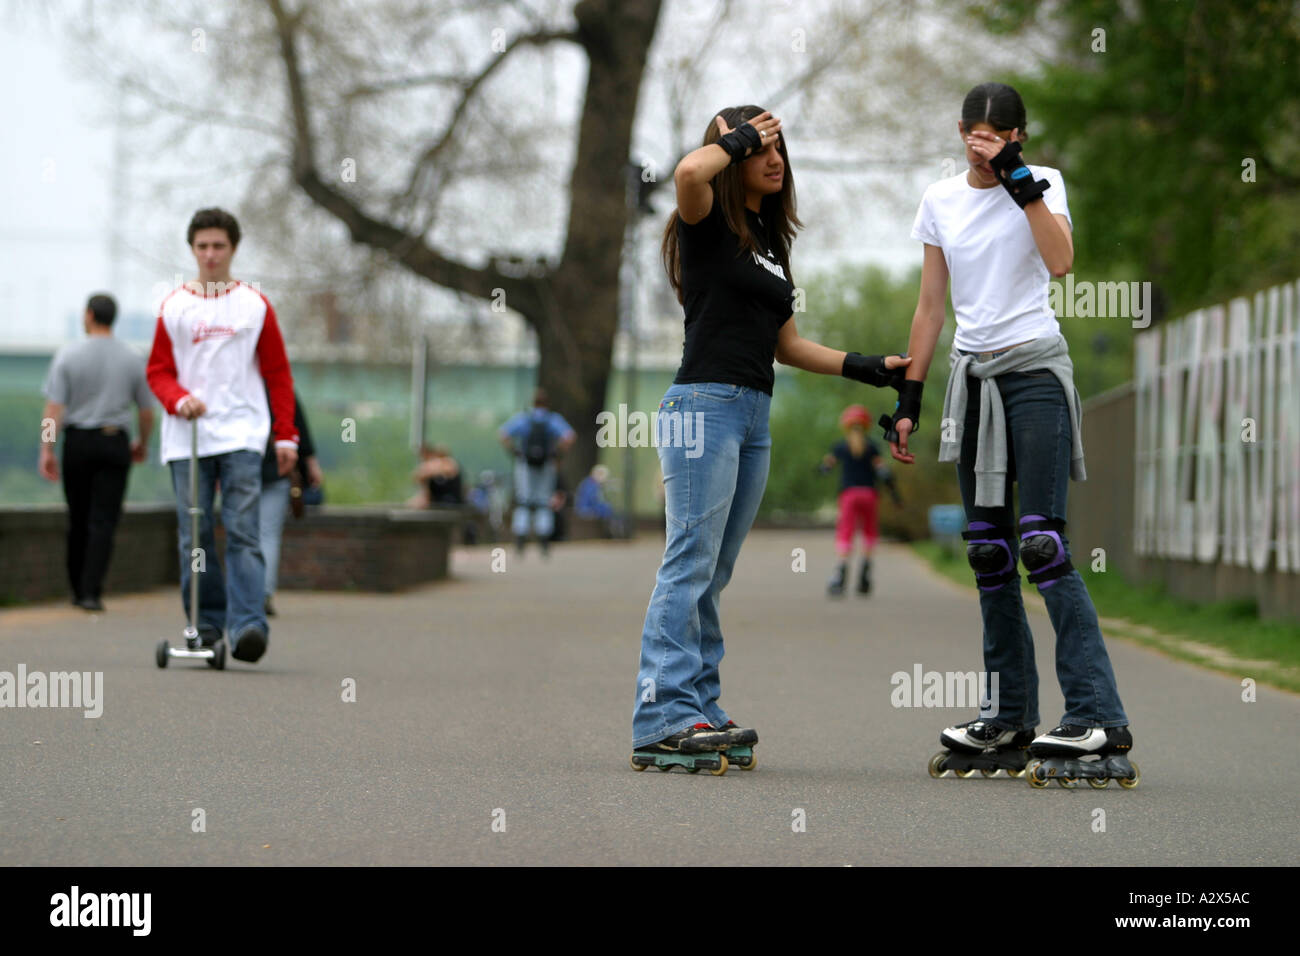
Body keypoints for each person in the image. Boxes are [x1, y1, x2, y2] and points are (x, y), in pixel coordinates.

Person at [631, 105, 910, 764]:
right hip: (704, 407)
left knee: (714, 570)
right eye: (761, 148)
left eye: (780, 147)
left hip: (753, 411)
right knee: (689, 562)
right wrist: (742, 134)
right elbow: (689, 170)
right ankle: (660, 715)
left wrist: (868, 368)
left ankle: (697, 707)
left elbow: (785, 344)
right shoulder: (703, 222)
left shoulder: (766, 241)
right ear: (734, 153)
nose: (774, 158)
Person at [890, 82, 1135, 781]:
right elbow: (931, 307)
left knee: (1042, 542)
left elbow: (1060, 262)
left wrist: (1021, 183)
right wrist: (911, 395)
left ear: (1018, 137)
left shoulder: (1044, 183)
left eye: (997, 133)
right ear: (960, 129)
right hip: (973, 382)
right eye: (973, 129)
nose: (982, 141)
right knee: (989, 552)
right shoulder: (940, 200)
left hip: (1034, 376)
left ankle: (1097, 717)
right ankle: (1008, 718)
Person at [146, 207, 298, 664]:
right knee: (194, 535)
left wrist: (286, 436)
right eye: (202, 246)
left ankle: (249, 624)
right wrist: (177, 398)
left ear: (233, 249)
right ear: (191, 250)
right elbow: (157, 370)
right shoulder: (175, 306)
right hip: (187, 437)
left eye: (219, 246)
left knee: (244, 531)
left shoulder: (254, 305)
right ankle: (208, 623)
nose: (210, 255)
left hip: (242, 435)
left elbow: (277, 374)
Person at [38, 293, 156, 611]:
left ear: (88, 315)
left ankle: (76, 588)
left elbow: (53, 410)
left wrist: (47, 449)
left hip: (77, 443)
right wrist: (142, 443)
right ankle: (92, 591)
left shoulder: (68, 355)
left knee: (77, 517)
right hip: (114, 442)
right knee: (104, 520)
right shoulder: (133, 358)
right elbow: (146, 411)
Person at [817, 404, 900, 597]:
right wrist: (894, 494)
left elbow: (826, 466)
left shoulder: (840, 446)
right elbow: (884, 472)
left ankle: (839, 576)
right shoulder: (872, 447)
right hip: (869, 495)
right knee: (869, 533)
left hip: (849, 495)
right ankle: (865, 576)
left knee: (846, 533)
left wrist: (821, 470)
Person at [260, 390, 321, 617]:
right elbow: (300, 429)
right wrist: (311, 464)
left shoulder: (239, 383)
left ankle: (244, 593)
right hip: (278, 468)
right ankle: (264, 593)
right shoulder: (281, 389)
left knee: (245, 535)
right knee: (268, 534)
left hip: (241, 469)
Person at [498, 389, 575, 556]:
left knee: (524, 500)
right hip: (546, 464)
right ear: (547, 403)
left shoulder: (524, 418)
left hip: (525, 463)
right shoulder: (553, 419)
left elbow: (503, 434)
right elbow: (569, 437)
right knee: (543, 501)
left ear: (533, 403)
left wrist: (515, 452)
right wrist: (557, 454)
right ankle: (544, 539)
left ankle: (520, 538)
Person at [576, 464, 626, 538]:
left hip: (589, 508)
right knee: (608, 510)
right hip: (586, 509)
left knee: (610, 510)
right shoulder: (590, 484)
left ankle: (616, 531)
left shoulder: (590, 483)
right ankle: (616, 532)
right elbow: (592, 500)